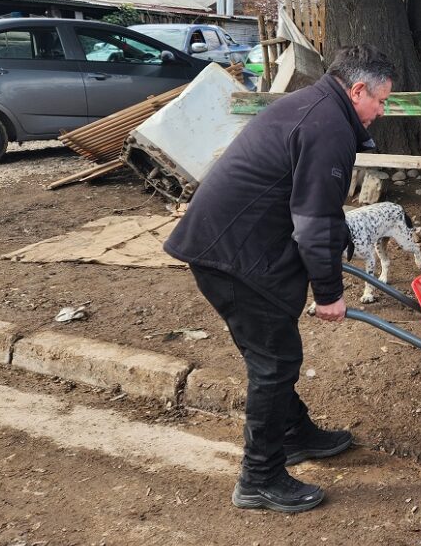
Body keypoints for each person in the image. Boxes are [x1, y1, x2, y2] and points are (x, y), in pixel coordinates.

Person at [164, 45, 395, 513]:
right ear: (357, 90)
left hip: (234, 244)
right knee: (274, 362)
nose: (382, 111)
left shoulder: (319, 108)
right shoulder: (328, 126)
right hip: (232, 254)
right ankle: (259, 477)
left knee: (275, 354)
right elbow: (313, 220)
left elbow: (318, 209)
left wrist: (336, 246)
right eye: (381, 100)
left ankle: (292, 434)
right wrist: (328, 293)